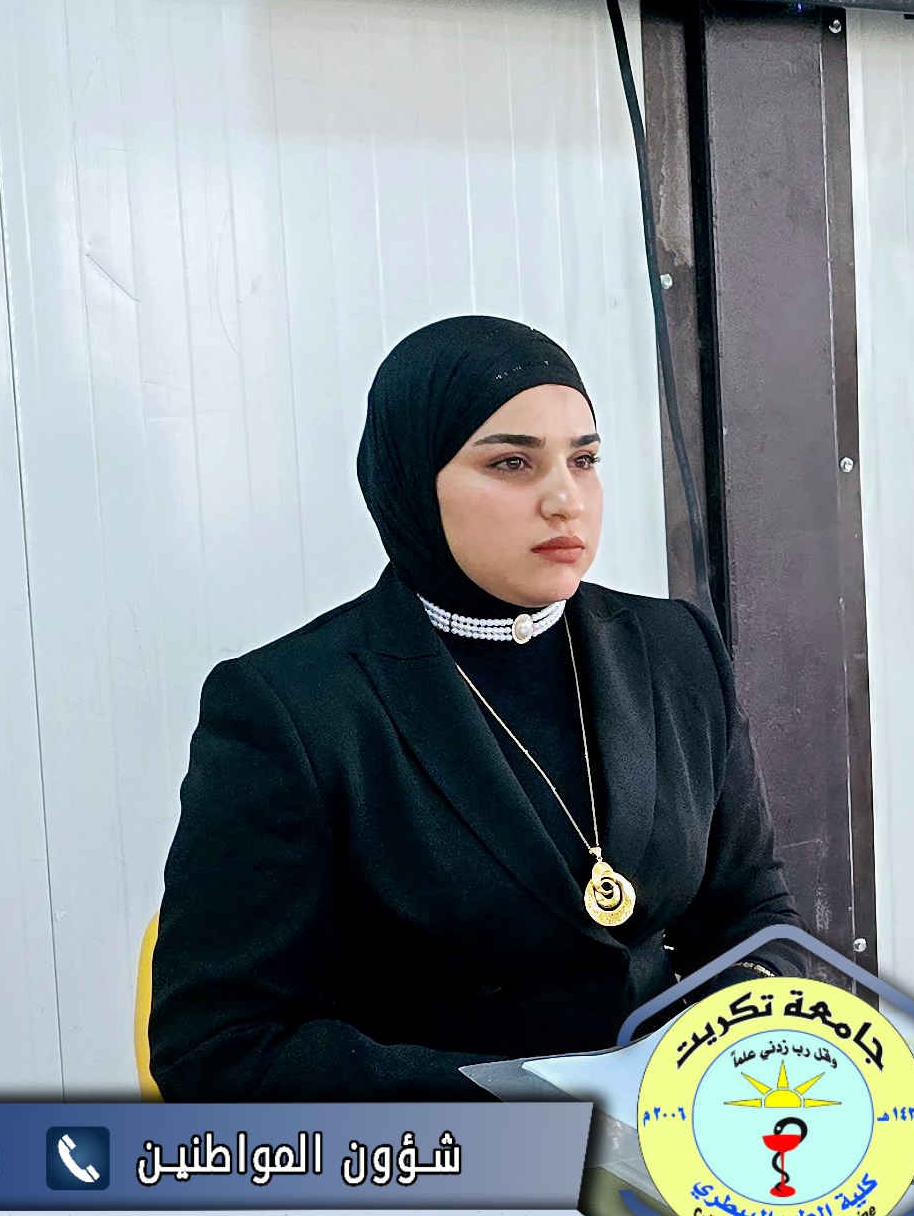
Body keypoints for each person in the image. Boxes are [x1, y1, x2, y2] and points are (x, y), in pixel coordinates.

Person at [148, 315, 804, 1098]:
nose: (565, 500)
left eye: (583, 459)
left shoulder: (674, 649)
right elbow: (217, 1048)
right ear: (412, 478)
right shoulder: (291, 708)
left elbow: (751, 913)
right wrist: (540, 1099)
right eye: (512, 462)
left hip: (666, 1132)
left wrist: (728, 1038)